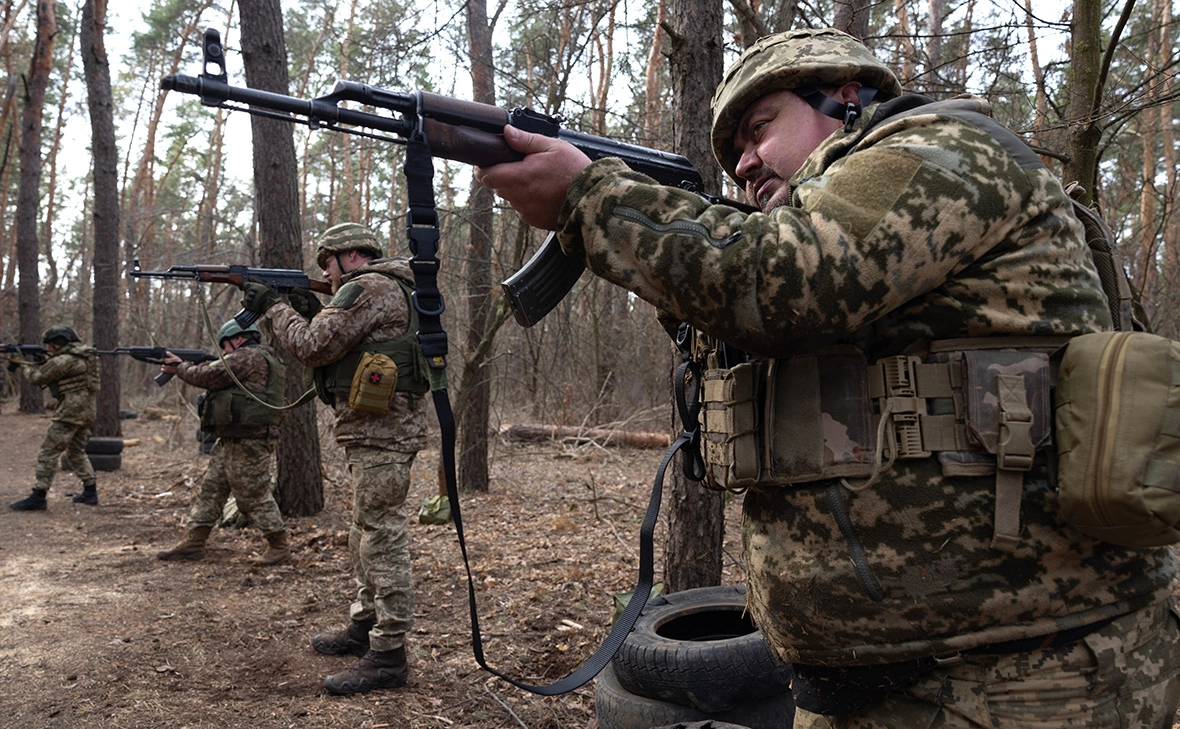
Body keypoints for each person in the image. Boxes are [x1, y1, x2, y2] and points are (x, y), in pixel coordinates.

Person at [474, 27, 1180, 727]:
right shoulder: (838, 221)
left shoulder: (939, 151)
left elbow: (780, 276)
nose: (745, 164)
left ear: (846, 98)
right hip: (865, 685)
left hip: (1025, 681)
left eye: (758, 129)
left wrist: (590, 198)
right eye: (735, 154)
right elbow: (750, 329)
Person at [240, 222, 429, 696]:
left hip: (381, 434)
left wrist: (274, 307)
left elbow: (311, 346)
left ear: (348, 256)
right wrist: (308, 309)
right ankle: (365, 627)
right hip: (379, 431)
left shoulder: (367, 286)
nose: (325, 271)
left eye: (327, 262)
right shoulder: (394, 286)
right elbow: (338, 342)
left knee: (381, 536)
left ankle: (388, 655)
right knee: (366, 531)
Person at [156, 319, 291, 566]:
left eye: (225, 347)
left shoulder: (248, 357)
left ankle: (279, 545)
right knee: (212, 489)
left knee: (253, 495)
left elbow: (211, 375)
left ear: (237, 339)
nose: (225, 353)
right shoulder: (252, 358)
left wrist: (180, 367)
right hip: (233, 437)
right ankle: (194, 542)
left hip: (250, 441)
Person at [9, 325, 101, 510]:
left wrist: (20, 364)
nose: (49, 349)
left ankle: (38, 497)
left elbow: (37, 378)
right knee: (76, 454)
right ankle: (90, 493)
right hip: (87, 411)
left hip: (69, 413)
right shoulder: (88, 357)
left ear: (57, 345)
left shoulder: (64, 360)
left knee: (48, 453)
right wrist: (43, 361)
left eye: (50, 346)